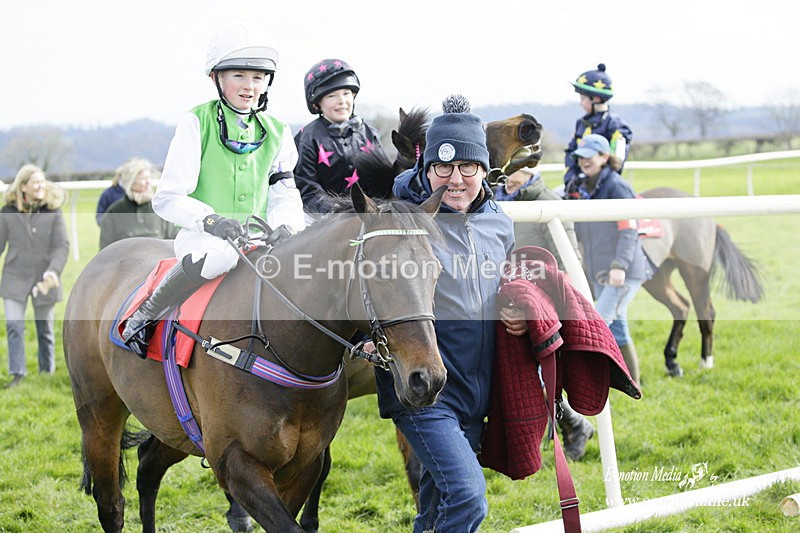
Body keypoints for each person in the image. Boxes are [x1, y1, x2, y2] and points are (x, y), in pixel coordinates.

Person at [376, 94, 524, 532]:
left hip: (477, 392)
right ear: (426, 169)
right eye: (443, 168)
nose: (455, 180)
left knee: (438, 507)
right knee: (467, 497)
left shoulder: (500, 221)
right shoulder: (401, 220)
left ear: (483, 170)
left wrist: (515, 307)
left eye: (467, 168)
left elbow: (505, 282)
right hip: (423, 391)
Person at [121, 24, 305, 357]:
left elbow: (285, 192)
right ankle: (147, 314)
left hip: (258, 237)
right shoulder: (195, 122)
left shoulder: (279, 131)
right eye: (238, 75)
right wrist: (211, 221)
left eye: (259, 77)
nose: (250, 87)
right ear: (216, 78)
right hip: (205, 238)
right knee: (221, 255)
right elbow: (167, 197)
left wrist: (288, 226)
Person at [493, 166, 594, 460]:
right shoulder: (493, 198)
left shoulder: (549, 202)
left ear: (528, 169)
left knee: (535, 376)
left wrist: (543, 309)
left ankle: (574, 424)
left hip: (536, 302)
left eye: (513, 165)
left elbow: (567, 263)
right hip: (503, 297)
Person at [565, 134, 652, 385]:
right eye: (580, 157)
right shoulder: (582, 186)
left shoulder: (617, 186)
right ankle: (634, 384)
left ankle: (588, 385)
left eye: (589, 156)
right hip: (602, 271)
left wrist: (619, 266)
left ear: (604, 157)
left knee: (594, 326)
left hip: (620, 272)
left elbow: (629, 229)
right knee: (619, 332)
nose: (583, 161)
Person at [0, 164, 69, 388]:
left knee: (45, 329)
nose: (41, 186)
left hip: (45, 279)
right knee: (13, 325)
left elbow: (61, 246)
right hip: (14, 277)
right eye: (35, 182)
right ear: (23, 187)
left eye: (42, 181)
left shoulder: (53, 211)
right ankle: (17, 374)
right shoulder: (7, 212)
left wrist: (53, 272)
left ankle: (46, 374)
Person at [293, 58, 382, 214]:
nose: (342, 101)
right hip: (321, 218)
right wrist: (334, 211)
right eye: (332, 96)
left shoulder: (370, 134)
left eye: (346, 93)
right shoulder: (307, 137)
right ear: (317, 103)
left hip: (366, 215)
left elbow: (380, 183)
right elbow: (306, 188)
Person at [563, 63, 633, 188]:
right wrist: (570, 179)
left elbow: (617, 160)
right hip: (579, 184)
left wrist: (596, 183)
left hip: (604, 186)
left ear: (595, 98)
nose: (580, 103)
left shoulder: (617, 126)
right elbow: (571, 152)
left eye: (583, 99)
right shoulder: (581, 123)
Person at [98, 157, 175, 249]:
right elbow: (106, 251)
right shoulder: (114, 212)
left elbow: (173, 242)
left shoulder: (162, 209)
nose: (148, 182)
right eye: (142, 178)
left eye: (149, 178)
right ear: (130, 182)